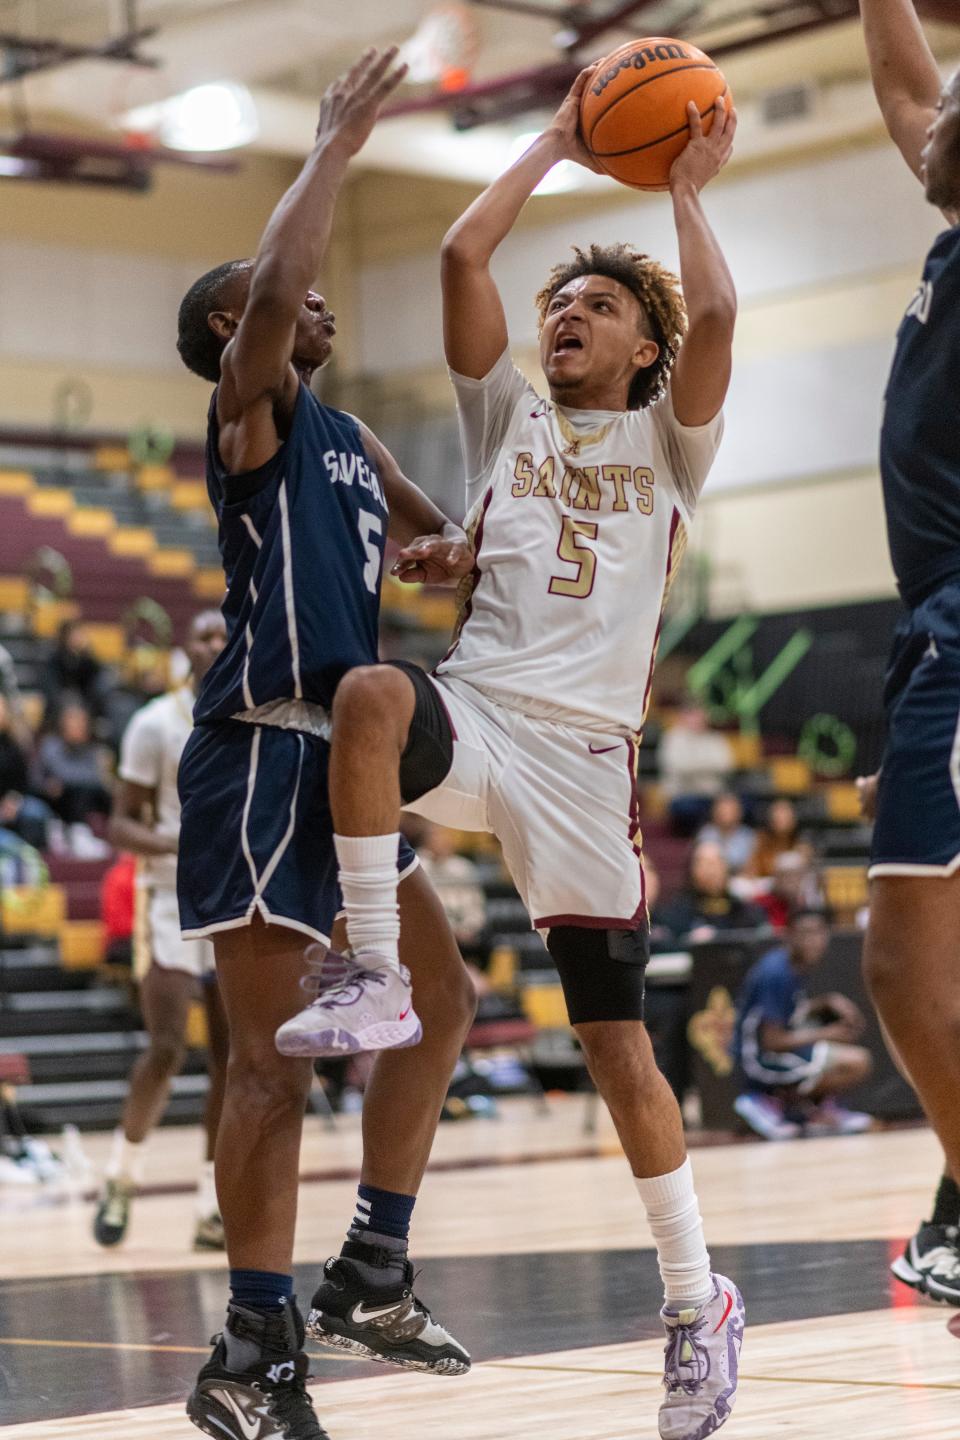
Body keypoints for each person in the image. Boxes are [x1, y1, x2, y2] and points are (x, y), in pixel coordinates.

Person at [280, 69, 744, 1440]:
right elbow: (460, 250)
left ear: (640, 350)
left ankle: (694, 1301)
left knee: (618, 1053)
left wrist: (679, 192)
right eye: (561, 305)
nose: (565, 316)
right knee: (368, 696)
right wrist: (555, 135)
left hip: (588, 763)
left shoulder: (672, 439)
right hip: (478, 716)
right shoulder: (507, 419)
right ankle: (370, 969)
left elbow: (714, 311)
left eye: (595, 306)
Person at [174, 49, 476, 1440]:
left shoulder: (347, 431)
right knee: (266, 1070)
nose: (315, 298)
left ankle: (373, 1263)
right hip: (258, 753)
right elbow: (266, 303)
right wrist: (338, 146)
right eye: (283, 293)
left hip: (344, 767)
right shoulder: (250, 414)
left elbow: (435, 549)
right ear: (243, 323)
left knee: (445, 1002)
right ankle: (253, 1346)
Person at [857, 0, 960, 1321]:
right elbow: (899, 89)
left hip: (957, 629)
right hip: (929, 626)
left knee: (899, 962)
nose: (933, 117)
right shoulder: (951, 242)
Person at [92, 611, 230, 1252]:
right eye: (203, 635)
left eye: (225, 635)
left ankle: (212, 1204)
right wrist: (177, 841)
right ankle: (123, 1175)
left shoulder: (250, 716)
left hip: (231, 892)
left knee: (236, 1057)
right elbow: (119, 825)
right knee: (169, 1046)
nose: (215, 644)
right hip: (167, 896)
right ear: (186, 648)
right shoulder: (154, 722)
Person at [732, 908, 873, 1140]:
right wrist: (828, 1033)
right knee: (857, 1062)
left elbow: (788, 1014)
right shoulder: (776, 972)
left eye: (819, 933)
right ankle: (769, 1101)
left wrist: (827, 1001)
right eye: (805, 933)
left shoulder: (791, 965)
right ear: (788, 935)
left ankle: (808, 1108)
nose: (813, 941)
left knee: (848, 1055)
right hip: (756, 1060)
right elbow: (772, 1041)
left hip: (768, 1051)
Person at [659, 841, 768, 943]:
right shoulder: (676, 912)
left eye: (717, 862)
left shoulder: (745, 910)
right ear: (692, 870)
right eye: (704, 863)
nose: (711, 870)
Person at [659, 699, 735, 833]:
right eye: (693, 715)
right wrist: (710, 766)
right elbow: (680, 766)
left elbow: (726, 765)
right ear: (684, 716)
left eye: (701, 715)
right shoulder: (673, 738)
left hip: (712, 796)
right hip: (682, 796)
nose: (698, 719)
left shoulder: (715, 738)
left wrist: (695, 764)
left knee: (739, 804)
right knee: (689, 808)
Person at [33, 699, 111, 825]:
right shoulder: (50, 745)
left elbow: (98, 780)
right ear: (62, 723)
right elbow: (37, 780)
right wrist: (48, 786)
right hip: (57, 807)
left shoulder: (95, 749)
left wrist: (66, 782)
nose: (77, 726)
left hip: (87, 806)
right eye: (72, 721)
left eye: (81, 721)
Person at [416, 823, 487, 957]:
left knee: (485, 940)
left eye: (444, 836)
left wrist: (468, 928)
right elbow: (418, 906)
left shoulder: (463, 867)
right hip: (430, 931)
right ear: (426, 840)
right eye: (435, 836)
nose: (440, 840)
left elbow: (475, 905)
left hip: (462, 932)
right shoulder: (417, 866)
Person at [695, 790, 755, 873]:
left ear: (739, 813)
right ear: (714, 812)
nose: (725, 813)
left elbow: (750, 865)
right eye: (722, 809)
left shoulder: (748, 835)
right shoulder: (706, 833)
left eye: (730, 810)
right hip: (712, 877)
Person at [745, 796, 805, 879]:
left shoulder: (802, 848)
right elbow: (750, 872)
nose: (780, 817)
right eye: (777, 814)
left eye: (785, 814)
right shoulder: (760, 842)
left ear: (793, 820)